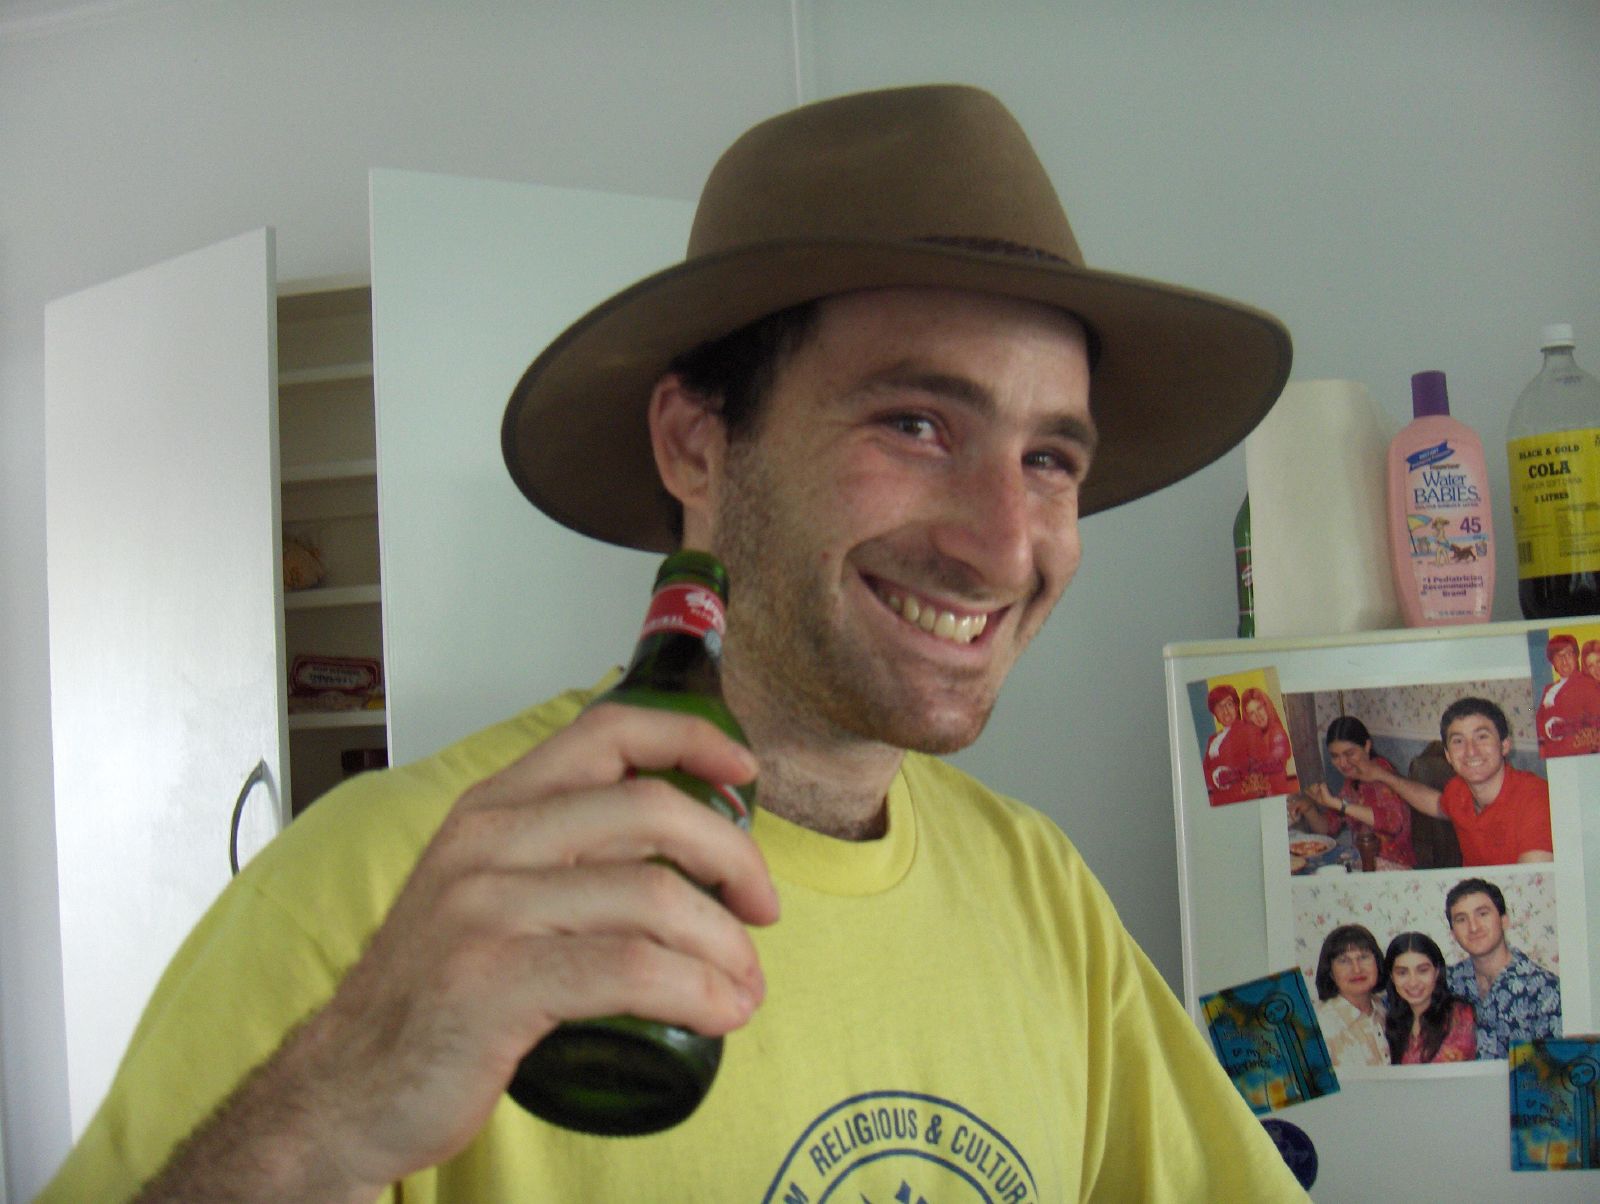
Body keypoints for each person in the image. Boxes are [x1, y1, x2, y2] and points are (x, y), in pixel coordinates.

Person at [42, 86, 1305, 1200]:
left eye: (1048, 459)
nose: (1000, 544)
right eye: (916, 423)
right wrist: (324, 1112)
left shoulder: (1045, 898)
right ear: (696, 445)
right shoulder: (373, 896)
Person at [1361, 697, 1553, 867]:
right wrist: (1382, 775)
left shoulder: (1535, 798)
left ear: (1505, 745)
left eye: (1482, 737)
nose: (1471, 751)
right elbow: (1434, 803)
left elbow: (1533, 888)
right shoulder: (1458, 790)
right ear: (1448, 756)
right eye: (1458, 741)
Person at [1443, 877, 1562, 1059]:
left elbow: (1553, 1070)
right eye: (1461, 919)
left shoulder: (1545, 989)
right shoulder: (1445, 982)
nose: (1473, 927)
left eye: (1482, 914)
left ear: (1504, 920)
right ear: (1453, 934)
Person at [1290, 716, 1416, 868]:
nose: (1342, 763)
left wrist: (1338, 804)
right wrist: (1309, 808)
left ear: (1367, 746)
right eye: (1335, 756)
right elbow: (1329, 828)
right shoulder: (1353, 778)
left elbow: (1392, 823)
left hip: (1394, 866)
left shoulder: (1382, 773)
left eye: (1349, 754)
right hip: (1363, 862)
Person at [1381, 933, 1476, 1065]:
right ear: (1392, 976)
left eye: (1422, 970)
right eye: (1402, 973)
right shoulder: (1386, 1020)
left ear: (1436, 971)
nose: (1413, 982)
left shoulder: (1459, 1016)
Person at [1311, 924, 1387, 1068]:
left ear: (1377, 963)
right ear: (1330, 972)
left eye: (1364, 957)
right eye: (1343, 961)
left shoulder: (1385, 1011)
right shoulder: (1316, 1025)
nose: (1356, 969)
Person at [1533, 633, 1600, 757]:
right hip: (1549, 755)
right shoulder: (1549, 689)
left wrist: (1563, 727)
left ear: (1576, 657)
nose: (1565, 660)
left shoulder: (1587, 684)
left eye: (1569, 654)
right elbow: (1538, 723)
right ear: (1553, 663)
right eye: (1559, 656)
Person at [1202, 683, 1256, 803]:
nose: (1225, 710)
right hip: (1218, 799)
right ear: (1214, 713)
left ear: (1236, 707)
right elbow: (1203, 772)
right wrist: (1215, 775)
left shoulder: (1247, 729)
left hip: (1242, 798)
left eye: (1229, 704)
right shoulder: (1213, 739)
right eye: (1219, 707)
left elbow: (1251, 765)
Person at [1240, 686, 1297, 795]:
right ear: (1247, 717)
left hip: (1277, 794)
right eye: (1252, 713)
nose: (1258, 715)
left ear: (1267, 707)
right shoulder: (1256, 738)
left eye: (1259, 708)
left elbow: (1272, 769)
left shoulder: (1277, 733)